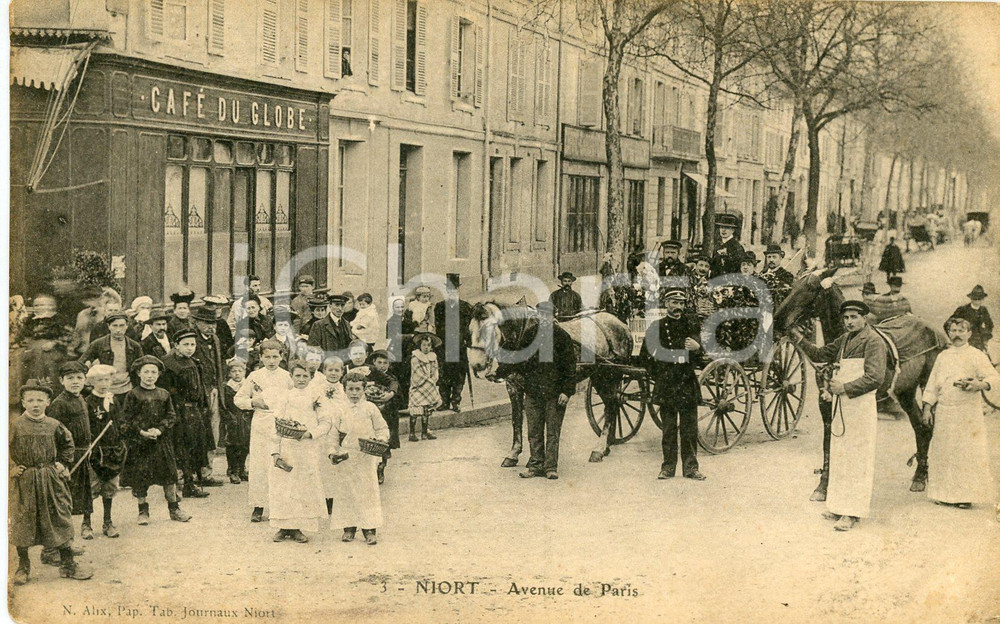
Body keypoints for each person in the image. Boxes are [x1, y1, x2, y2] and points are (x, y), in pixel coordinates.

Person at [790, 300, 892, 531]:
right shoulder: (845, 340)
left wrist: (844, 388)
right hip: (843, 405)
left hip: (860, 405)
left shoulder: (873, 341)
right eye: (846, 318)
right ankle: (838, 506)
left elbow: (875, 377)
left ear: (864, 318)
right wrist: (798, 338)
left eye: (854, 317)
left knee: (857, 458)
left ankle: (852, 513)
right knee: (841, 455)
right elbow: (820, 353)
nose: (849, 322)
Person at [10, 381, 94, 583]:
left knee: (60, 517)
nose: (35, 404)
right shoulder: (14, 426)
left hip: (50, 477)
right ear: (23, 402)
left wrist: (63, 463)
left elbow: (68, 444)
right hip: (25, 481)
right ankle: (23, 567)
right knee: (23, 521)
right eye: (30, 400)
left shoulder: (54, 425)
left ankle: (67, 565)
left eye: (40, 400)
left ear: (48, 402)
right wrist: (11, 467)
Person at [921, 316, 1000, 509]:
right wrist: (927, 408)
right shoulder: (943, 356)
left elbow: (994, 377)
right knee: (944, 450)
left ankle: (965, 496)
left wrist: (978, 384)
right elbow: (932, 385)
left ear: (969, 333)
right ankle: (944, 494)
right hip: (945, 412)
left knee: (966, 452)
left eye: (961, 331)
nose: (957, 335)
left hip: (967, 413)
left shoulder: (976, 355)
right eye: (953, 331)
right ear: (949, 332)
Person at [639, 289, 705, 481]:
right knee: (668, 428)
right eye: (674, 302)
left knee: (689, 428)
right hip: (667, 383)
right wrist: (660, 374)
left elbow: (700, 355)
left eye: (681, 303)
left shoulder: (691, 325)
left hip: (686, 382)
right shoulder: (656, 327)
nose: (678, 307)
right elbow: (645, 356)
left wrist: (697, 348)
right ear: (666, 303)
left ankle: (691, 468)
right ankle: (667, 468)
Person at [506, 302, 577, 480]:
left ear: (554, 316)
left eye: (547, 315)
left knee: (552, 432)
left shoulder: (562, 337)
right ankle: (536, 465)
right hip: (533, 391)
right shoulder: (530, 335)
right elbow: (520, 359)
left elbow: (570, 367)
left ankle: (550, 467)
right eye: (541, 315)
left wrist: (566, 392)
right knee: (534, 430)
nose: (544, 318)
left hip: (555, 392)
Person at [120, 355, 191, 524]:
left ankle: (174, 509)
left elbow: (171, 416)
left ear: (159, 375)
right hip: (140, 444)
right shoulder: (132, 395)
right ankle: (143, 511)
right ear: (139, 373)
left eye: (154, 372)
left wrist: (159, 429)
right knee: (140, 477)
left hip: (161, 442)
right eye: (146, 372)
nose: (150, 375)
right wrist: (141, 432)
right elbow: (126, 420)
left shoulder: (164, 394)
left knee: (169, 476)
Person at [269, 361, 331, 544]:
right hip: (287, 446)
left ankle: (298, 528)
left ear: (311, 377)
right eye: (298, 375)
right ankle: (283, 527)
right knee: (284, 486)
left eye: (305, 376)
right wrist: (274, 451)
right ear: (291, 376)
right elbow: (276, 424)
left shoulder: (317, 396)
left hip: (307, 447)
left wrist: (310, 433)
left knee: (303, 486)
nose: (301, 379)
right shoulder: (285, 396)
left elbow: (326, 422)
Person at [327, 371, 390, 546]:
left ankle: (369, 529)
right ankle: (349, 527)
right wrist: (332, 451)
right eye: (350, 389)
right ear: (345, 390)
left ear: (364, 390)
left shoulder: (370, 408)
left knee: (367, 493)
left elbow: (382, 429)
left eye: (358, 389)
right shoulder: (339, 409)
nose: (354, 393)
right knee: (346, 492)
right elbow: (332, 434)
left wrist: (381, 440)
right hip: (346, 456)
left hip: (366, 456)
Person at [234, 340, 293, 523]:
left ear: (282, 357)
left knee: (278, 463)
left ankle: (279, 505)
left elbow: (293, 398)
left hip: (280, 423)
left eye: (275, 357)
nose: (272, 361)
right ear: (260, 357)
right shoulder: (254, 376)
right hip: (260, 422)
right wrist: (253, 403)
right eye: (267, 357)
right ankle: (258, 506)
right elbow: (239, 398)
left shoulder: (287, 377)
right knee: (259, 464)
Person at [159, 329, 212, 499]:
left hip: (193, 410)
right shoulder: (169, 364)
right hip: (179, 411)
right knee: (180, 448)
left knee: (196, 445)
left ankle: (192, 481)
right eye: (186, 344)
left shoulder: (193, 361)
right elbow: (167, 392)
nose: (190, 348)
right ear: (176, 345)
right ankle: (183, 483)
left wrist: (203, 406)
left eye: (193, 344)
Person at [46, 362, 95, 544]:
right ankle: (64, 540)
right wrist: (62, 461)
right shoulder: (59, 404)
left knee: (84, 492)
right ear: (61, 380)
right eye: (70, 378)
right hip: (68, 457)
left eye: (79, 378)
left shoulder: (81, 398)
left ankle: (86, 525)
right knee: (65, 498)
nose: (75, 382)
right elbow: (55, 435)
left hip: (83, 453)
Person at [83, 364, 126, 538]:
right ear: (92, 382)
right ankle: (86, 524)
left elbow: (120, 421)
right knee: (92, 487)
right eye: (99, 380)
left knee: (110, 487)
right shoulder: (87, 402)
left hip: (113, 449)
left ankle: (107, 522)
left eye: (107, 379)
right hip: (95, 451)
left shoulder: (113, 399)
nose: (103, 383)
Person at [191, 306, 227, 476]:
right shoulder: (191, 340)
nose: (210, 327)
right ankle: (194, 472)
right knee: (199, 431)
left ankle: (207, 471)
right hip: (199, 393)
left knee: (214, 430)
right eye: (206, 323)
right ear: (197, 322)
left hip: (214, 390)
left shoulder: (215, 340)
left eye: (213, 323)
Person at [78, 311, 144, 396]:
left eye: (121, 325)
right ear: (109, 326)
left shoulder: (134, 346)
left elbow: (141, 367)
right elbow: (80, 365)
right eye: (114, 325)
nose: (118, 330)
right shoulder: (98, 344)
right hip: (104, 390)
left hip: (127, 389)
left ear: (127, 326)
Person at [434, 274, 474, 412]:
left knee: (459, 375)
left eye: (455, 290)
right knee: (444, 375)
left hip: (459, 347)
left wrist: (467, 342)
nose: (452, 293)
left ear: (458, 290)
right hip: (444, 346)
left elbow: (469, 328)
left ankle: (456, 401)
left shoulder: (466, 307)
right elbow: (438, 327)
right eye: (449, 290)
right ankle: (445, 402)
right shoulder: (440, 307)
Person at [315, 355, 349, 515]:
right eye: (330, 370)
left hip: (338, 428)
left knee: (336, 461)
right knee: (322, 462)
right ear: (324, 371)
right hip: (323, 429)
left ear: (342, 372)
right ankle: (324, 497)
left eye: (337, 370)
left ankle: (336, 497)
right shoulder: (319, 388)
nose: (333, 373)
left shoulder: (344, 389)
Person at [366, 350, 400, 485]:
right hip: (372, 414)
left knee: (384, 443)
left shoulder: (391, 378)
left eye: (385, 363)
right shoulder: (371, 375)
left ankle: (381, 469)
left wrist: (389, 396)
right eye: (379, 362)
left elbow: (395, 389)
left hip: (387, 415)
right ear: (373, 363)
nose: (382, 365)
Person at [221, 358, 253, 484]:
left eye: (240, 371)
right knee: (233, 444)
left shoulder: (248, 385)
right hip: (232, 419)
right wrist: (228, 417)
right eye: (234, 371)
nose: (237, 374)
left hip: (245, 419)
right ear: (229, 373)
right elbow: (223, 405)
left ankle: (241, 469)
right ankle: (233, 470)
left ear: (244, 372)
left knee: (245, 444)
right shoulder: (226, 387)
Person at [408, 332, 443, 442]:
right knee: (415, 409)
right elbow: (418, 373)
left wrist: (434, 379)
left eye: (428, 345)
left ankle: (424, 432)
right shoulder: (415, 358)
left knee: (426, 410)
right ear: (420, 346)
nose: (426, 348)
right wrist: (428, 380)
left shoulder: (433, 357)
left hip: (429, 385)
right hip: (419, 386)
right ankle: (412, 433)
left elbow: (435, 369)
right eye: (424, 345)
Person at [308, 293, 356, 360]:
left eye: (342, 305)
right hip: (327, 365)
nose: (340, 308)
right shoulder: (318, 325)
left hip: (344, 364)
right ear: (330, 305)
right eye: (336, 305)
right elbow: (313, 349)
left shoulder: (346, 324)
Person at [952, 285, 993, 353]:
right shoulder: (963, 310)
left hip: (979, 342)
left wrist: (985, 337)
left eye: (979, 299)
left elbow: (990, 325)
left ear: (983, 299)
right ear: (971, 298)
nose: (977, 301)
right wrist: (955, 337)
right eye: (975, 298)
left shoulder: (984, 310)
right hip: (965, 341)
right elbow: (950, 323)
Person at [710, 213, 746, 278]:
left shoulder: (737, 247)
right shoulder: (718, 245)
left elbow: (739, 268)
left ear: (733, 230)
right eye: (722, 227)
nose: (723, 230)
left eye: (727, 227)